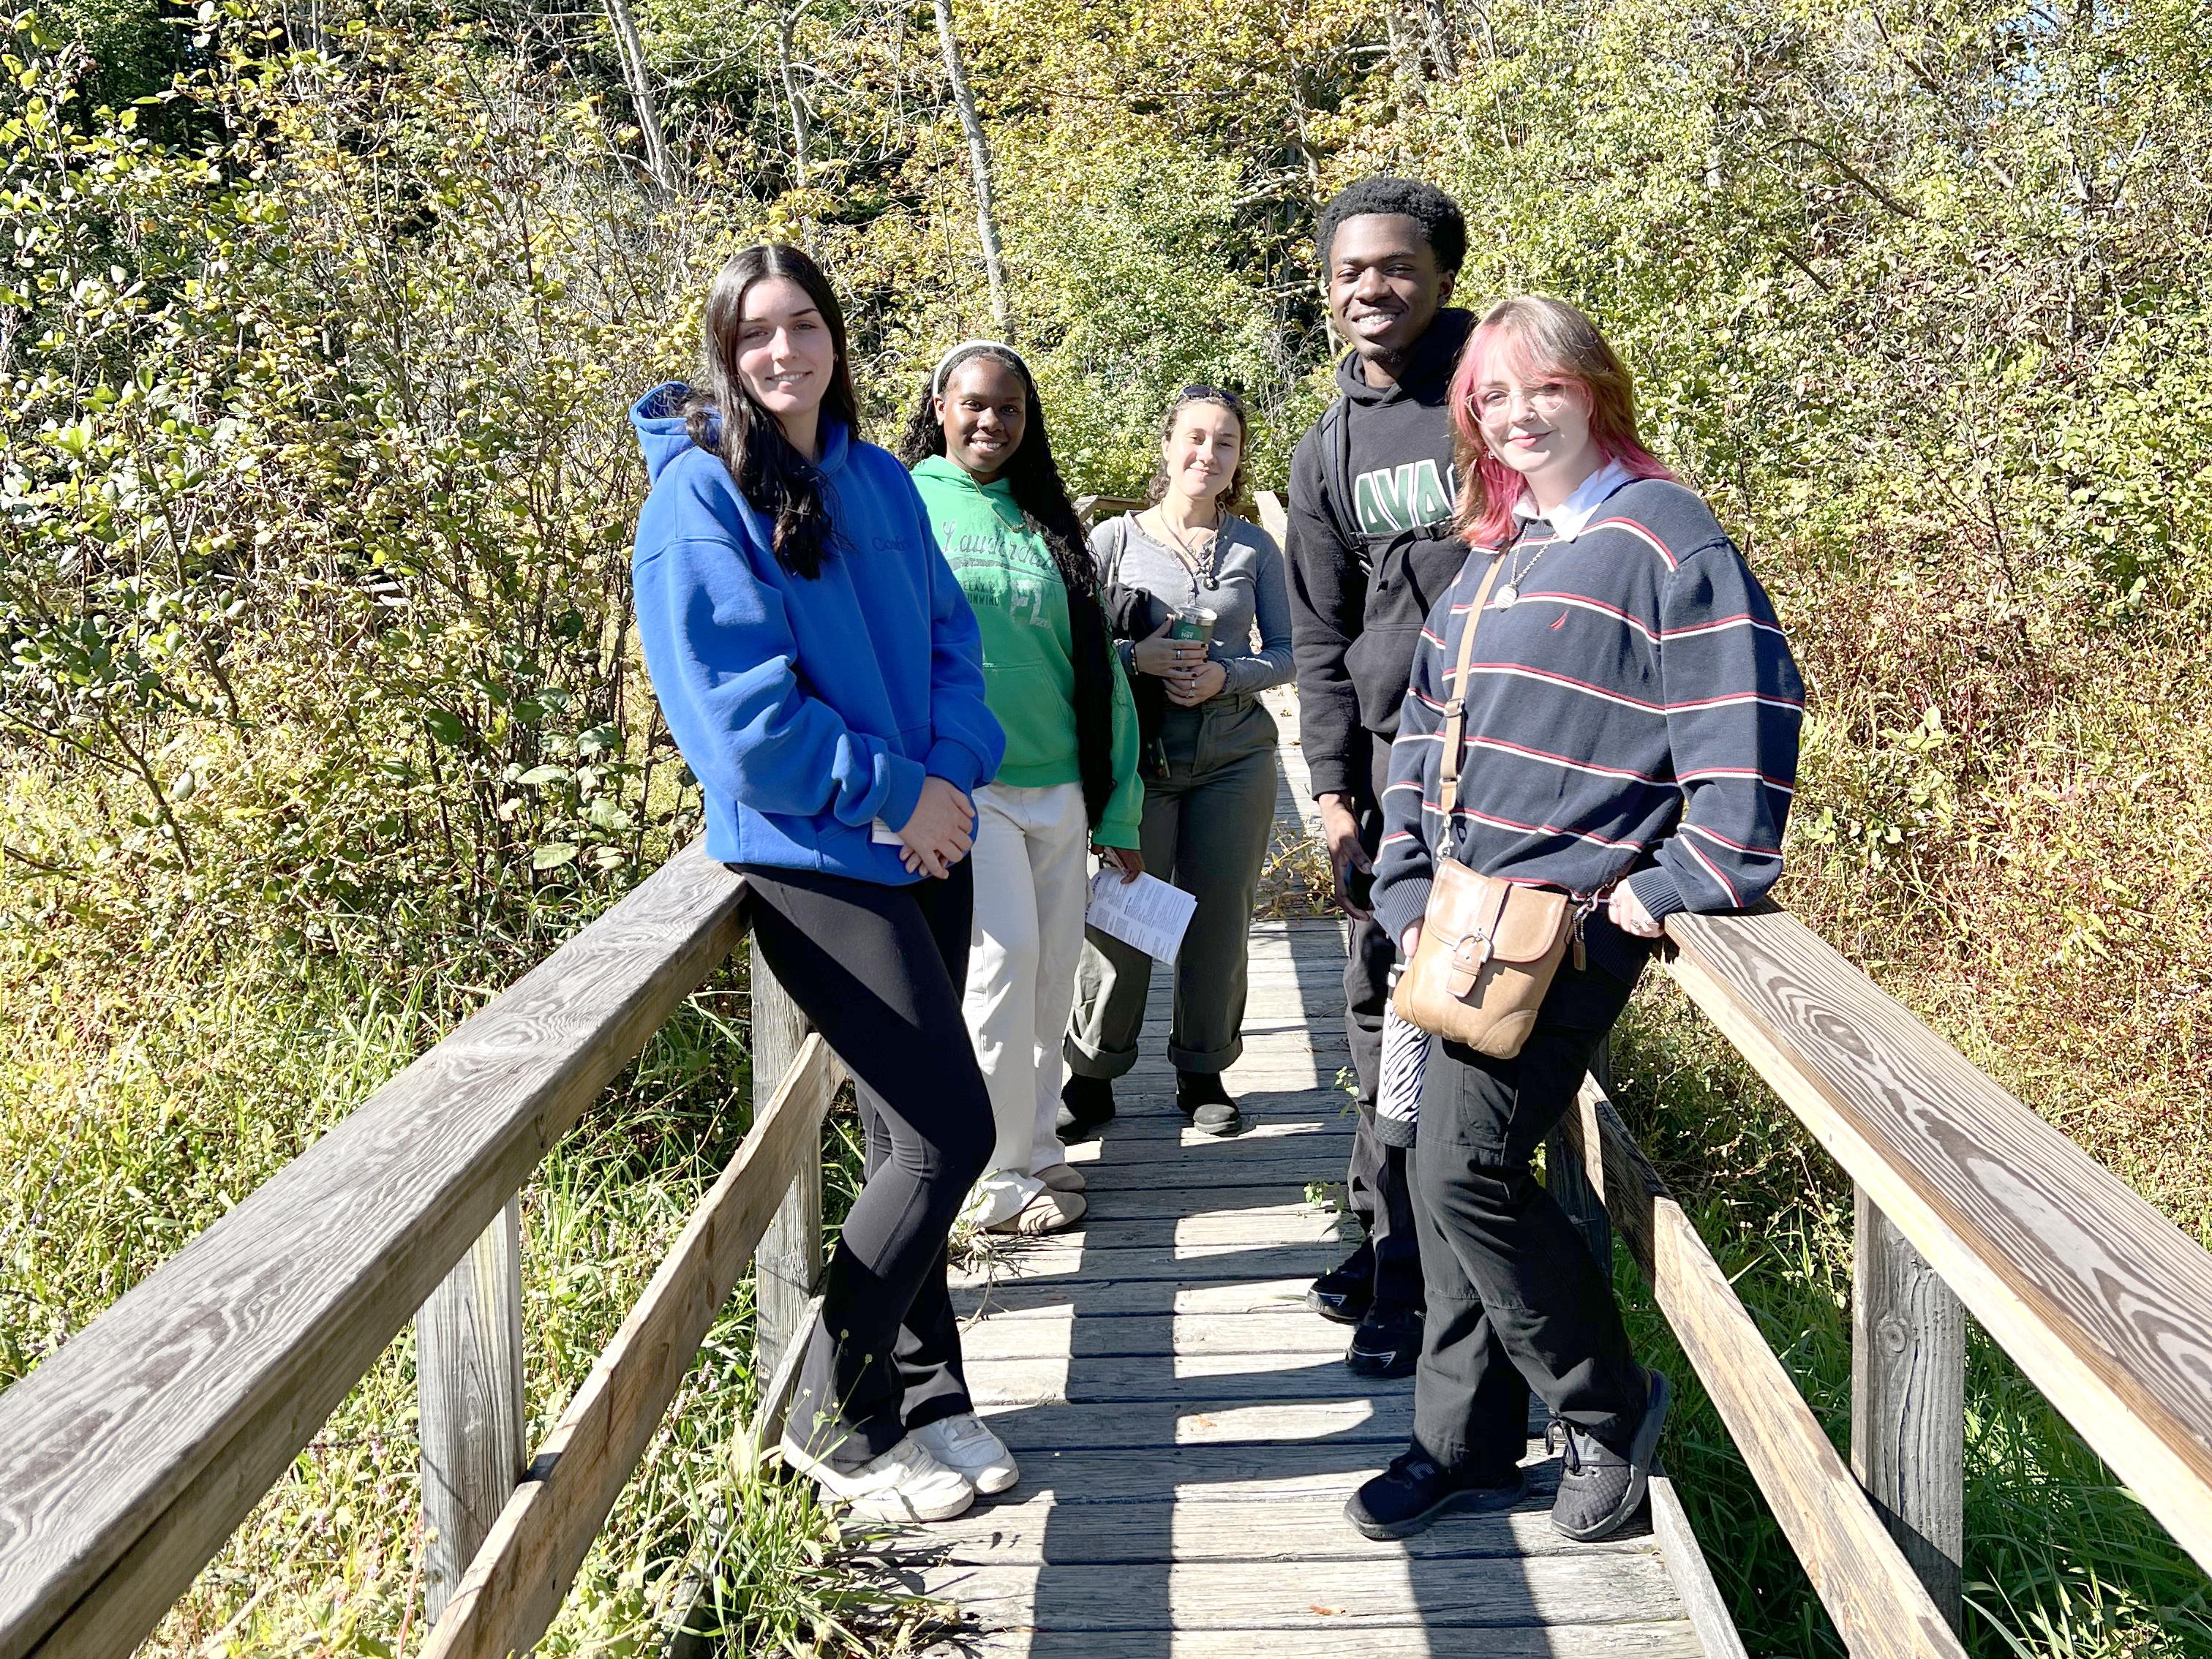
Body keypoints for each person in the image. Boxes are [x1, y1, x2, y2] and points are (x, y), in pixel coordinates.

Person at [1347, 295, 1802, 1546]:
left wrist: (1679, 879)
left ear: (1591, 387)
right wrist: (1400, 888)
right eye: (1488, 398)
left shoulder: (1660, 533)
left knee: (1461, 1167)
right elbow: (1422, 733)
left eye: (1535, 386)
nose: (1512, 413)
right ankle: (1464, 1437)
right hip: (1458, 923)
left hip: (1568, 922)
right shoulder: (1501, 549)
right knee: (1436, 1167)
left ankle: (1603, 1408)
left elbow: (1745, 716)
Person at [628, 245, 1015, 1525]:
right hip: (812, 857)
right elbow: (740, 724)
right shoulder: (697, 498)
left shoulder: (880, 481)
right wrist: (894, 794)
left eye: (802, 324)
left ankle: (928, 1385)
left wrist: (949, 780)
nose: (782, 351)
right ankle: (830, 1413)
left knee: (912, 1134)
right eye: (753, 335)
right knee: (952, 1131)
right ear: (724, 353)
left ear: (835, 337)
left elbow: (953, 647)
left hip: (925, 842)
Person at [1284, 176, 1472, 1381]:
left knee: (1447, 1025)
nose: (1371, 288)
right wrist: (1332, 789)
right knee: (1374, 1008)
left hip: (1486, 773)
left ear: (1440, 276)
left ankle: (1423, 1282)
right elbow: (1317, 631)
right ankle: (1380, 1230)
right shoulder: (1327, 447)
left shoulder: (1491, 399)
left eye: (1395, 267)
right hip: (1385, 777)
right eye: (1350, 271)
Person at [897, 340, 1146, 1237]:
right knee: (998, 974)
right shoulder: (906, 500)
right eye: (972, 404)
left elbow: (1099, 672)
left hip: (1061, 786)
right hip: (968, 787)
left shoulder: (1045, 520)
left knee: (1049, 984)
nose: (990, 422)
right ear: (939, 405)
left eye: (1008, 408)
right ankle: (994, 1182)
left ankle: (1038, 1149)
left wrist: (1118, 805)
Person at [1061, 385, 1295, 1139]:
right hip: (1144, 761)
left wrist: (1232, 674)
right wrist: (1141, 656)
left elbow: (1291, 654)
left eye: (1224, 443)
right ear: (1166, 447)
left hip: (1235, 757)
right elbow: (1079, 651)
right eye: (1194, 438)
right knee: (1125, 915)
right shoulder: (1113, 542)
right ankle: (1094, 1073)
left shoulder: (1255, 549)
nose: (1208, 454)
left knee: (1220, 920)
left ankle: (1203, 1072)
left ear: (1237, 460)